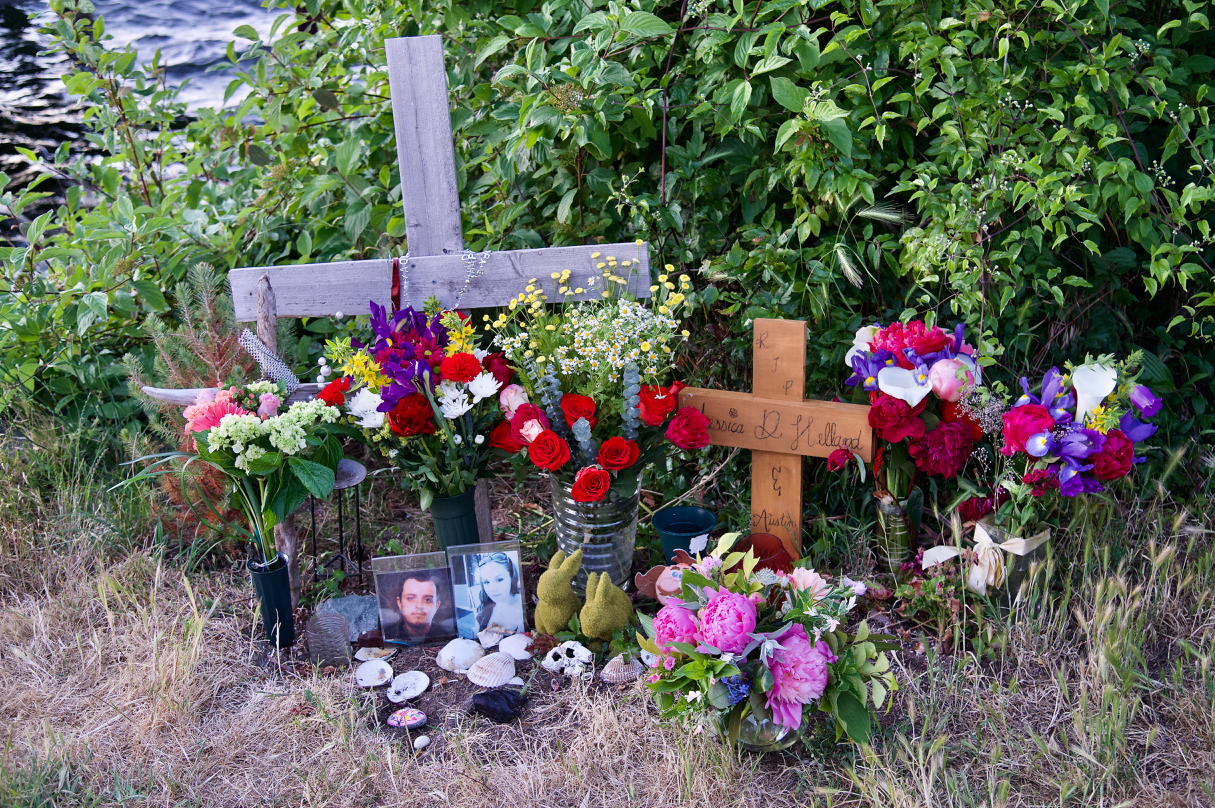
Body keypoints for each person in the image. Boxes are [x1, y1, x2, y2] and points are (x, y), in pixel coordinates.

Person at [384, 570, 448, 644]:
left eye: (427, 599)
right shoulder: (387, 637)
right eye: (410, 598)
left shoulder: (447, 639)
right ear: (399, 603)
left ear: (437, 606)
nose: (419, 606)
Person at [474, 552, 525, 634]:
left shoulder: (524, 603)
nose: (492, 588)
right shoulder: (483, 609)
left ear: (511, 576)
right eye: (486, 582)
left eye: (499, 579)